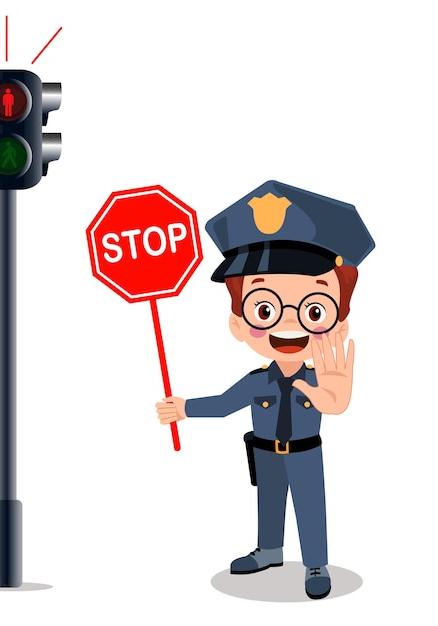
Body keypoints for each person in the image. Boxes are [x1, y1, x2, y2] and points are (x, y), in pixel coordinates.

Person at [156, 180, 374, 600]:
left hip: (306, 451)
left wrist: (337, 402)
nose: (287, 324)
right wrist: (184, 408)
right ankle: (269, 550)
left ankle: (315, 565)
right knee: (269, 504)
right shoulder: (258, 380)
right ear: (238, 323)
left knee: (311, 508)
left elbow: (334, 402)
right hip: (264, 450)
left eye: (314, 309)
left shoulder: (320, 379)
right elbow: (223, 405)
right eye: (265, 308)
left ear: (339, 321)